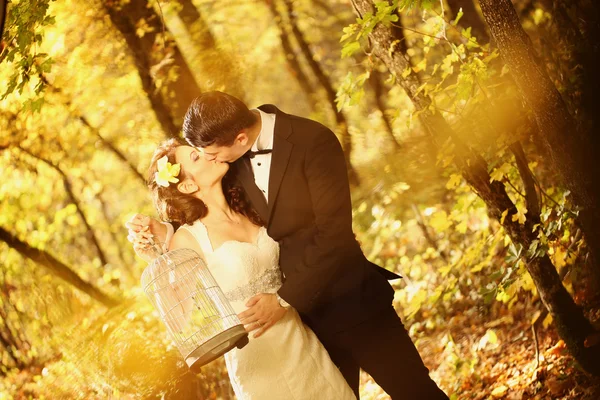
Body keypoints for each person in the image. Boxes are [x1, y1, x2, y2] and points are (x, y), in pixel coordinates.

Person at [128, 91, 448, 399]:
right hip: (293, 335)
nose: (210, 157)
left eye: (208, 152)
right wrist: (167, 233)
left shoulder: (313, 141)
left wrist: (282, 299)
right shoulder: (229, 162)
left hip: (349, 302)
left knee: (415, 392)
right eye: (200, 153)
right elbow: (208, 225)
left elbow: (334, 235)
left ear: (240, 139)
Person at [140, 138, 356, 399]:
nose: (207, 154)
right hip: (256, 358)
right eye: (196, 157)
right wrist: (156, 259)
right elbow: (179, 318)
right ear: (187, 184)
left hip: (300, 339)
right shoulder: (188, 239)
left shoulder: (251, 206)